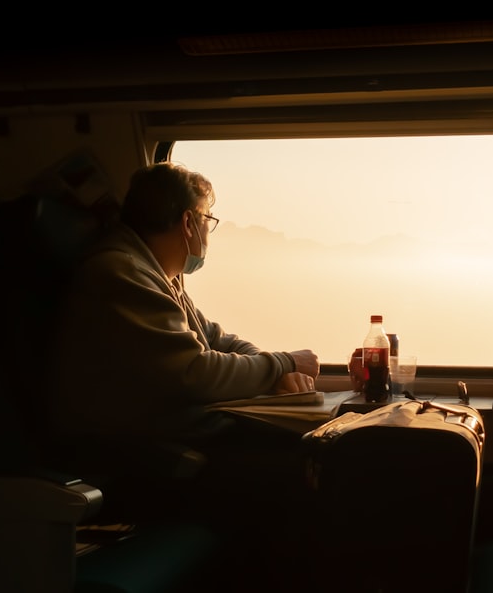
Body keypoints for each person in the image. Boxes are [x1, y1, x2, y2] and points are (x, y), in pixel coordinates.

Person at [45, 162, 322, 588]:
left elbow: (219, 340)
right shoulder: (118, 273)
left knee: (298, 458)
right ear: (189, 223)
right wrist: (283, 364)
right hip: (130, 461)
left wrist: (271, 366)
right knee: (287, 477)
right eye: (209, 220)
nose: (210, 232)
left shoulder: (159, 275)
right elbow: (196, 372)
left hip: (169, 442)